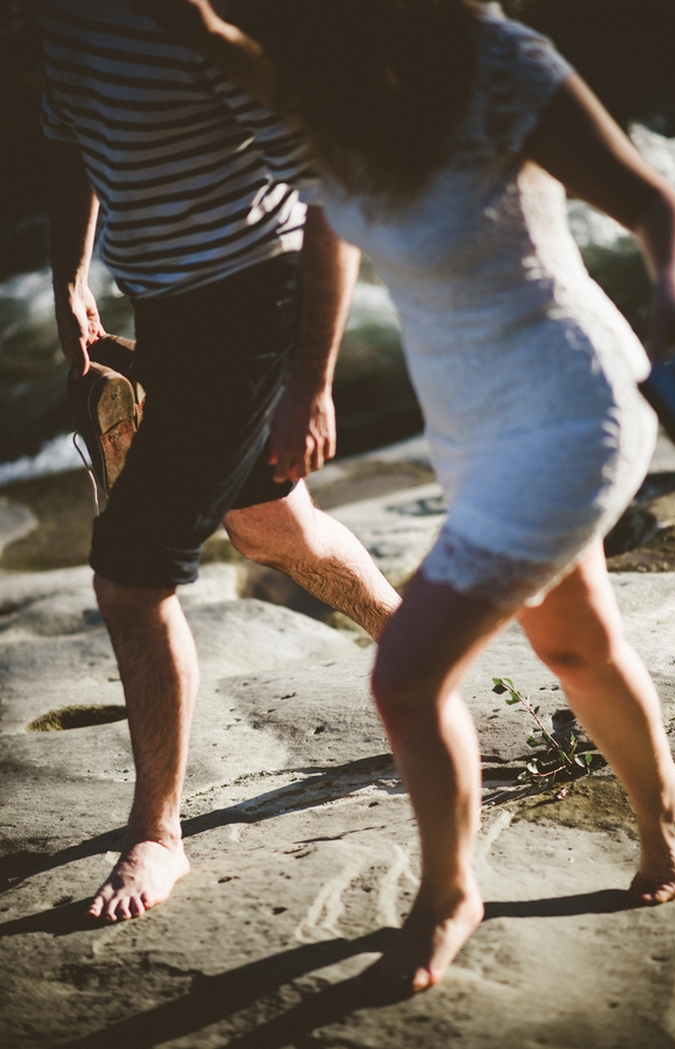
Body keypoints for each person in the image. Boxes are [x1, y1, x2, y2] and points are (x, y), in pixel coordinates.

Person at [142, 0, 675, 994]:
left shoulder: (500, 65)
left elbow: (655, 200)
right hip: (472, 425)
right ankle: (663, 802)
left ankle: (448, 891)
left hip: (571, 406)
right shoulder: (328, 87)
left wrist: (673, 295)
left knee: (405, 673)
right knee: (572, 639)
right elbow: (323, 221)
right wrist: (306, 382)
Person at [38, 0, 401, 925]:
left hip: (257, 301)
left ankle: (158, 834)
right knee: (271, 524)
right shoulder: (60, 18)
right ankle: (416, 648)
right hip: (168, 307)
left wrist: (310, 380)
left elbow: (332, 185)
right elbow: (74, 139)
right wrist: (70, 276)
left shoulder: (196, 22)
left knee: (130, 574)